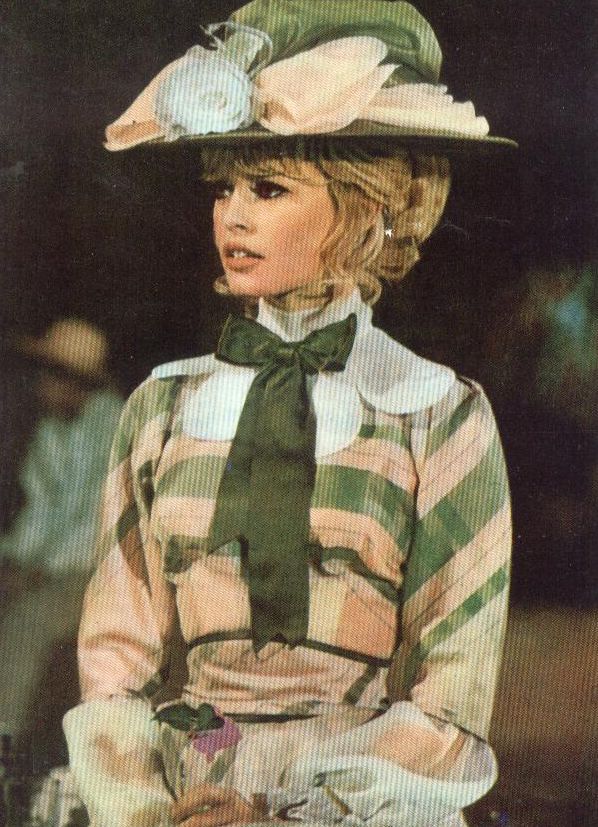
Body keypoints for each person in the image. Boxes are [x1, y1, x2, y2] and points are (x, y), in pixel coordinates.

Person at [63, 2, 513, 825]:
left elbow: (451, 696)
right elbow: (115, 665)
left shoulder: (438, 413)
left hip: (360, 801)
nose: (231, 216)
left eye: (268, 188)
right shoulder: (165, 406)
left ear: (368, 206)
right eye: (224, 188)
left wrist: (289, 810)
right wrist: (155, 805)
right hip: (193, 782)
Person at [0, 318, 123, 758]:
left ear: (75, 382)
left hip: (100, 569)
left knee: (26, 626)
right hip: (54, 565)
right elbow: (42, 509)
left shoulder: (109, 423)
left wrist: (33, 572)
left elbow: (90, 522)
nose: (39, 383)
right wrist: (13, 560)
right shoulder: (53, 428)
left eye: (49, 374)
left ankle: (3, 743)